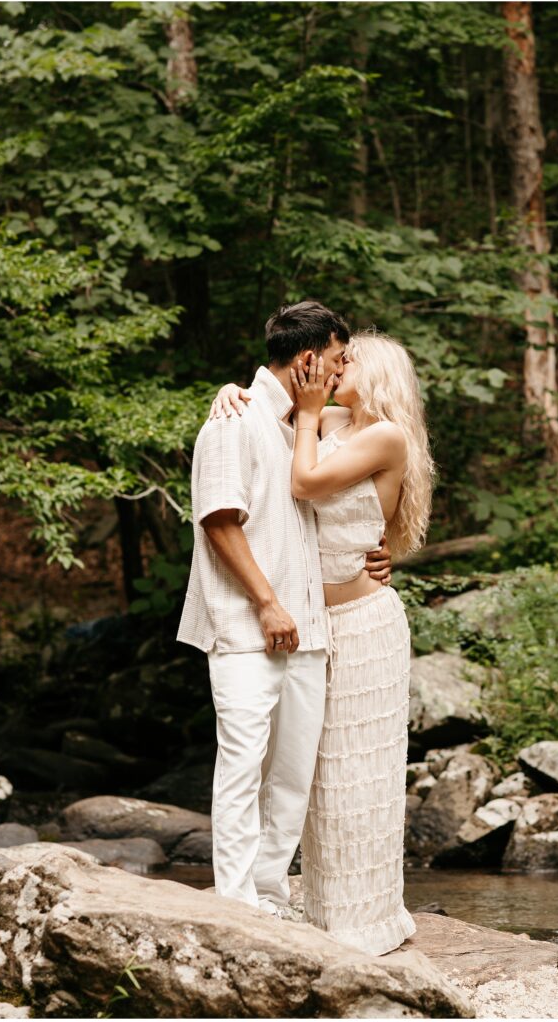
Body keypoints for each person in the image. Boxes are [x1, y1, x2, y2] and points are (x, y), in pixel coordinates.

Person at [214, 327, 436, 956]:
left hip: (366, 630)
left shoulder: (382, 435)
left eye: (350, 358)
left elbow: (305, 484)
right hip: (313, 624)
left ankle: (365, 922)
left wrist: (309, 414)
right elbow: (268, 414)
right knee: (312, 775)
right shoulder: (332, 419)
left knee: (359, 776)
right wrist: (231, 392)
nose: (337, 366)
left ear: (381, 373)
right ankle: (319, 911)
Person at [176, 301, 392, 919]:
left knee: (292, 775)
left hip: (312, 631)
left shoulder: (313, 425)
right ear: (308, 359)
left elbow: (380, 476)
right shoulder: (233, 423)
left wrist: (380, 556)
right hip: (249, 629)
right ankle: (237, 904)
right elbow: (219, 521)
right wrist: (268, 604)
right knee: (243, 765)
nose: (343, 367)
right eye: (338, 357)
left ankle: (270, 895)